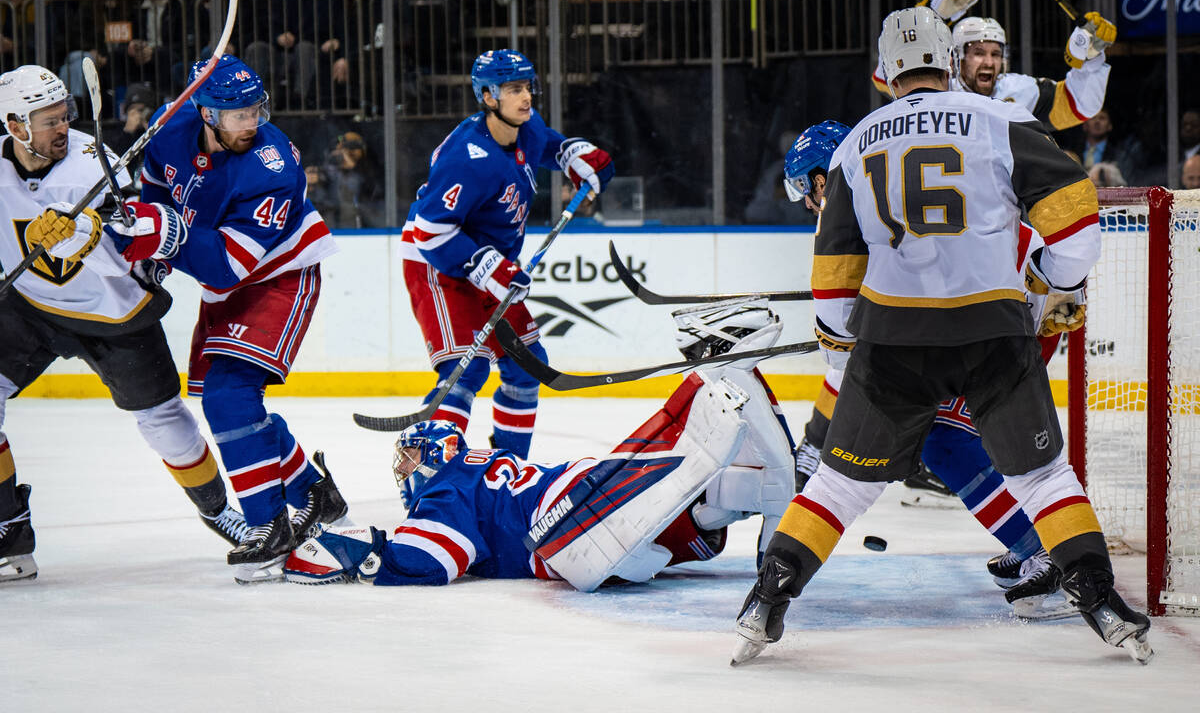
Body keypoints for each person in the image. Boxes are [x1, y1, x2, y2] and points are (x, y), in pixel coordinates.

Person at [731, 7, 1152, 666]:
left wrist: (849, 354)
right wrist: (1050, 275)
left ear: (881, 73)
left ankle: (765, 603)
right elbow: (1077, 222)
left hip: (896, 340)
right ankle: (1100, 601)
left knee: (839, 486)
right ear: (952, 62)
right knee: (1043, 475)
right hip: (994, 330)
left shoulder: (858, 143)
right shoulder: (1001, 118)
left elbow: (836, 288)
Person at [282, 300, 798, 588]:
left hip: (565, 522)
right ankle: (762, 485)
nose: (405, 469)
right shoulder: (475, 468)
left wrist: (357, 550)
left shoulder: (446, 491)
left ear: (436, 458)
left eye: (411, 456)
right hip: (586, 486)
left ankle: (717, 365)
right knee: (675, 510)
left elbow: (436, 559)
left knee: (668, 469)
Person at [783, 118, 1076, 619]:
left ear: (820, 179)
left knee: (944, 437)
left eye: (808, 191)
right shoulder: (885, 192)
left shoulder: (862, 210)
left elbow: (853, 355)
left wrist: (817, 440)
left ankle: (1048, 553)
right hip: (1006, 313)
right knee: (956, 436)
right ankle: (1038, 538)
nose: (810, 206)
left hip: (1014, 319)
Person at [0, 65, 249, 583]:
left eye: (64, 116)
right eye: (47, 121)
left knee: (164, 420)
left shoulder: (96, 165)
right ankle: (10, 531)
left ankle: (217, 509)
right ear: (14, 125)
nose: (61, 127)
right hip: (28, 308)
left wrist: (91, 234)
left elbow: (135, 241)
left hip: (113, 314)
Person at [105, 55, 347, 583]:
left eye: (255, 111)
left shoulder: (273, 164)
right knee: (225, 400)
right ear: (205, 112)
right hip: (229, 279)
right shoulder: (169, 128)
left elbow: (227, 267)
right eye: (237, 115)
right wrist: (152, 250)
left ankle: (269, 527)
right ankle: (313, 492)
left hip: (280, 274)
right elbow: (156, 194)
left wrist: (163, 233)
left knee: (229, 398)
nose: (251, 123)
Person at [398, 49, 613, 460]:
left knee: (526, 364)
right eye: (514, 89)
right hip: (437, 260)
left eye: (527, 86)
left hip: (488, 262)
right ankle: (429, 477)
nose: (526, 97)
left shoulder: (525, 128)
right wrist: (486, 266)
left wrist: (575, 156)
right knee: (466, 369)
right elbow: (430, 230)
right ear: (488, 96)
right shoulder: (467, 157)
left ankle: (511, 467)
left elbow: (547, 145)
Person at [869, 0, 1115, 134]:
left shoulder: (1019, 92)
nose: (988, 62)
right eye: (978, 52)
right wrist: (931, 12)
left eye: (995, 54)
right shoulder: (935, 89)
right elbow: (884, 78)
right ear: (956, 57)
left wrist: (1089, 59)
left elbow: (1078, 106)